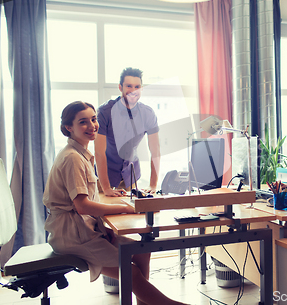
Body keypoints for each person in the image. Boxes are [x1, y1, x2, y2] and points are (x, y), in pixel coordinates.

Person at [43, 101, 186, 305]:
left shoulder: (81, 155)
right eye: (83, 122)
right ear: (69, 127)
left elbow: (86, 202)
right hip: (73, 237)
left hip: (84, 230)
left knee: (142, 251)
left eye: (93, 119)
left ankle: (145, 303)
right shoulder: (72, 158)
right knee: (131, 273)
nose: (92, 126)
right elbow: (82, 206)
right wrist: (125, 207)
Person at [95, 67, 160, 197]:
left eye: (137, 86)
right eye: (129, 86)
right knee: (105, 215)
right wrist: (106, 188)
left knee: (131, 215)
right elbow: (99, 152)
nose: (133, 91)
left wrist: (153, 184)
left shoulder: (148, 113)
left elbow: (155, 151)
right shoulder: (105, 111)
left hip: (131, 176)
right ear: (120, 87)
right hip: (105, 178)